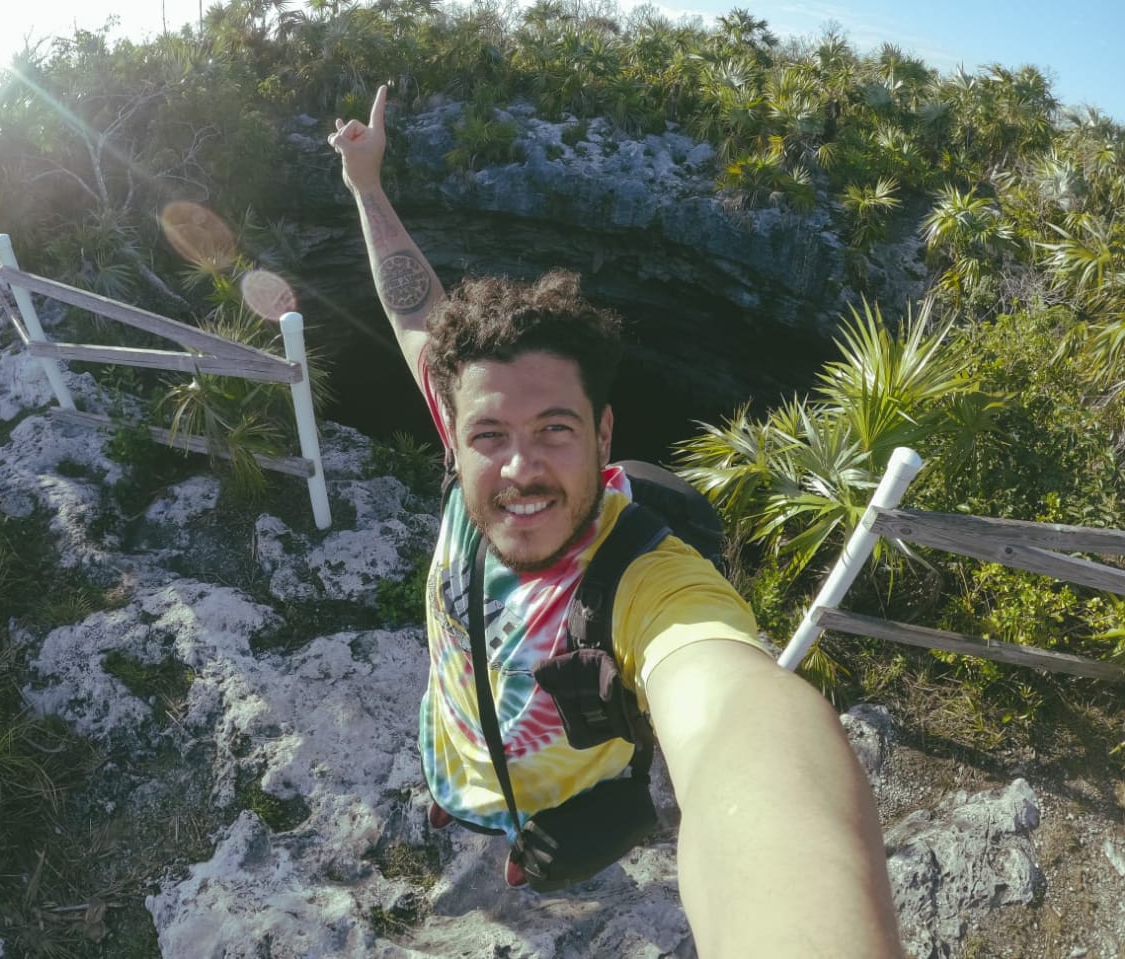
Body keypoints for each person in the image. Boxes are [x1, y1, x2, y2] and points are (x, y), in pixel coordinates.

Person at [329, 85, 904, 959]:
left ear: (603, 433)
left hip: (567, 810)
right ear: (456, 432)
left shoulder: (643, 577)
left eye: (555, 429)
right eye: (491, 433)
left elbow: (741, 720)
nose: (519, 467)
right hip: (456, 760)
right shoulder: (465, 448)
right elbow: (414, 309)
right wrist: (367, 185)